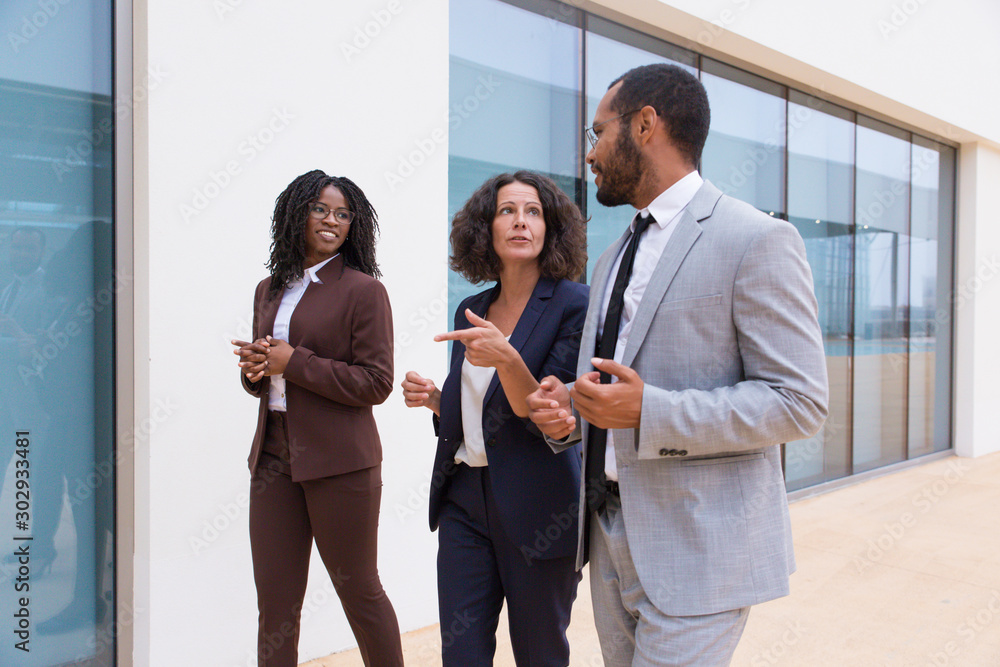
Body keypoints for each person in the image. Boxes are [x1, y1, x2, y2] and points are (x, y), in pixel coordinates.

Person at [527, 64, 829, 666]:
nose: (590, 155)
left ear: (644, 125)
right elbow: (608, 396)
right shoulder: (613, 255)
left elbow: (800, 402)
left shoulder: (756, 239)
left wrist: (650, 411)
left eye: (598, 133)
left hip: (700, 548)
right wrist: (570, 411)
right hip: (609, 539)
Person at [401, 170, 589, 666]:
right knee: (460, 654)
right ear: (486, 228)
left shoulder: (573, 303)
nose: (520, 222)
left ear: (551, 229)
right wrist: (439, 402)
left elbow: (550, 418)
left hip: (540, 506)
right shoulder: (472, 307)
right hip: (465, 501)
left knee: (539, 654)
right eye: (507, 211)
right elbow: (480, 410)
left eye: (533, 212)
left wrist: (507, 358)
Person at [231, 170, 403, 667]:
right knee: (276, 606)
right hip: (272, 459)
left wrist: (293, 362)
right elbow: (270, 378)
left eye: (343, 214)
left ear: (354, 225)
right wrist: (257, 371)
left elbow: (376, 383)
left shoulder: (364, 291)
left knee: (361, 597)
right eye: (321, 209)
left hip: (341, 464)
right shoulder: (269, 289)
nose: (332, 220)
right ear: (297, 214)